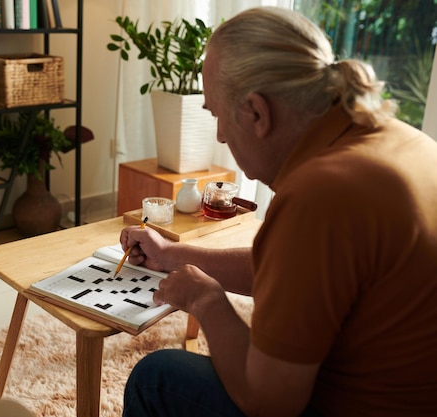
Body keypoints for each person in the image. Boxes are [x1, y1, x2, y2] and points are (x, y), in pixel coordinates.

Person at [120, 6, 437, 417]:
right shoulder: (398, 139)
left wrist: (206, 301)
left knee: (158, 375)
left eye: (217, 114)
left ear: (257, 112)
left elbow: (270, 401)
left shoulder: (320, 193)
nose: (218, 133)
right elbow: (298, 271)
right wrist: (172, 255)